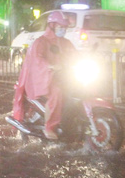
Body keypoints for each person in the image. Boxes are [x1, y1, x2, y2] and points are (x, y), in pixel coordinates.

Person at [11, 10, 76, 140]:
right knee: (56, 92)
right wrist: (50, 66)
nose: (62, 29)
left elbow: (75, 55)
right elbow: (37, 59)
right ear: (51, 25)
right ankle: (49, 127)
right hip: (44, 80)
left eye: (64, 27)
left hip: (62, 78)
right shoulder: (40, 42)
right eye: (60, 27)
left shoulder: (65, 42)